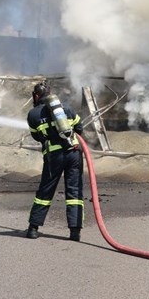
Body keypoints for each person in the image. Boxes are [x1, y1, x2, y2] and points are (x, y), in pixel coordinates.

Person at [25, 81, 84, 241]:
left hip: (54, 157)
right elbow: (80, 128)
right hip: (73, 154)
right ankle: (75, 232)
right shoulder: (66, 108)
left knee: (45, 191)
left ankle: (33, 229)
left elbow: (36, 136)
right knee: (74, 192)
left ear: (36, 96)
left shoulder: (33, 114)